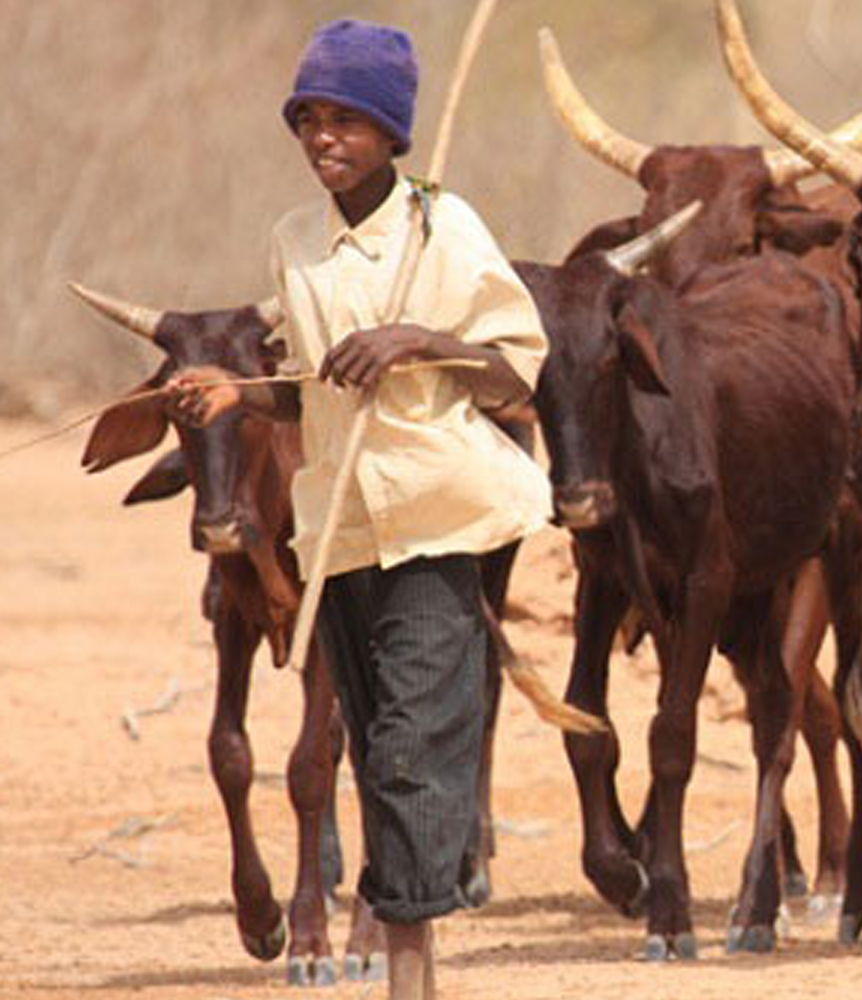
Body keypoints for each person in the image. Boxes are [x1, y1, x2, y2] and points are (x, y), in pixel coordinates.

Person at [166, 18, 549, 1000]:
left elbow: (516, 379)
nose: (324, 138)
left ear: (391, 132)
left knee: (414, 755)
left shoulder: (445, 229)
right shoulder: (295, 243)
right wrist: (234, 394)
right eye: (310, 120)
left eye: (347, 121)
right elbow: (311, 388)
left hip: (433, 529)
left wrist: (418, 338)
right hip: (337, 535)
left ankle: (408, 979)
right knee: (372, 753)